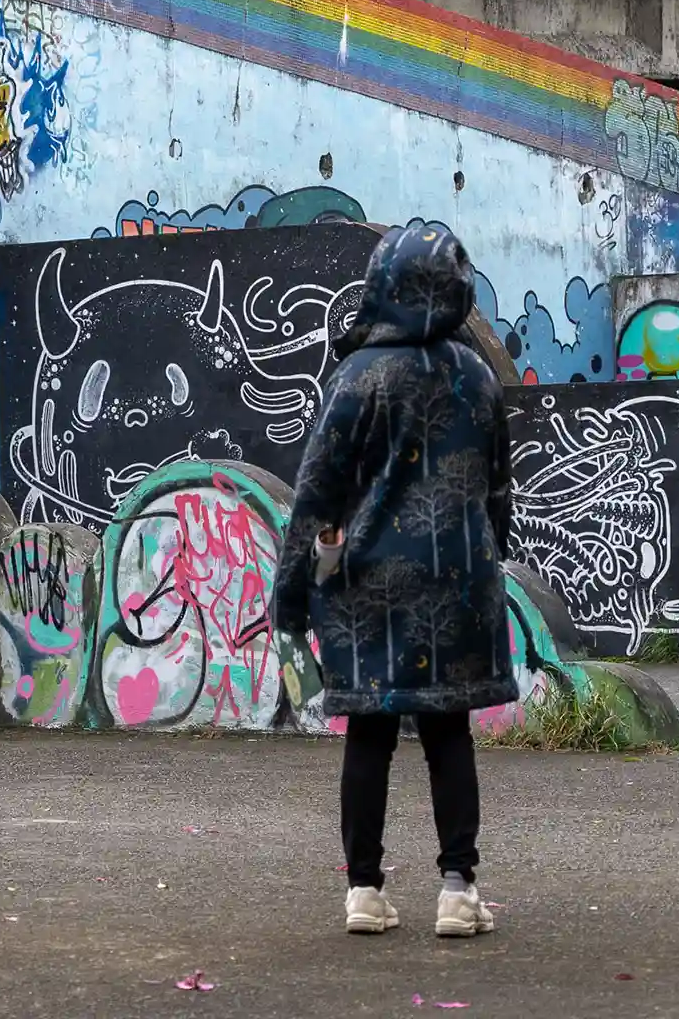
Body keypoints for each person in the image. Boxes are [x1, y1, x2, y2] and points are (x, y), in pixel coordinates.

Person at [273, 225, 516, 938]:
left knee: (369, 736)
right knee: (448, 734)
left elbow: (317, 493)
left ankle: (365, 892)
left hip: (368, 589)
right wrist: (487, 558)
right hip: (459, 584)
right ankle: (457, 889)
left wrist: (289, 595)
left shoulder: (359, 379)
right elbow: (498, 490)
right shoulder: (476, 377)